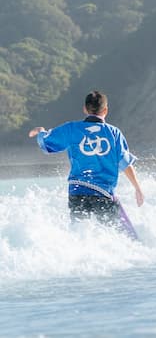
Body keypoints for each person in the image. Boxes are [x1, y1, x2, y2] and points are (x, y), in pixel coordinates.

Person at [27, 91, 144, 232]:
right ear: (105, 110)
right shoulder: (114, 133)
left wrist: (41, 131)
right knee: (119, 235)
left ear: (85, 109)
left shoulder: (71, 129)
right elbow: (125, 163)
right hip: (103, 193)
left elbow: (47, 142)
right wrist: (137, 188)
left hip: (77, 191)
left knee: (80, 234)